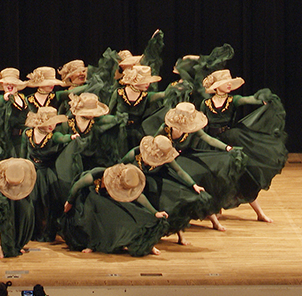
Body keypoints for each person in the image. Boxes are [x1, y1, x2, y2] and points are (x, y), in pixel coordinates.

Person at [199, 69, 287, 223]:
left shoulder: (234, 100)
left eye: (229, 83)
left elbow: (249, 100)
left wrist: (262, 100)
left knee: (243, 174)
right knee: (214, 177)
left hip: (231, 140)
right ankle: (216, 209)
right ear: (216, 87)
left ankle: (259, 212)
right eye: (225, 83)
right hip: (212, 143)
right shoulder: (205, 104)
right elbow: (201, 125)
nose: (228, 85)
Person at [155, 102, 246, 231]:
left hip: (186, 157)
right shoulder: (165, 128)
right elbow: (155, 144)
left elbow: (208, 139)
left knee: (206, 175)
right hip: (168, 162)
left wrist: (227, 148)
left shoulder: (193, 128)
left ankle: (214, 220)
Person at [121, 135, 214, 245]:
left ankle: (180, 236)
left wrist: (193, 184)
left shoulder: (165, 156)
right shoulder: (135, 153)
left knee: (172, 201)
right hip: (138, 182)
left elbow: (179, 171)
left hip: (156, 181)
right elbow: (121, 166)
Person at [61, 163, 168, 256]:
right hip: (89, 195)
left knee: (130, 215)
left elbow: (139, 197)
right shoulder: (95, 175)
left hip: (108, 197)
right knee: (97, 211)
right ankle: (92, 244)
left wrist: (155, 212)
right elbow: (77, 186)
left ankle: (146, 245)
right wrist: (69, 202)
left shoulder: (124, 182)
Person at [20, 107, 79, 242]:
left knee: (49, 203)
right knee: (33, 202)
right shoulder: (27, 134)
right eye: (49, 123)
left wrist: (72, 137)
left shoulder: (54, 136)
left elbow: (63, 138)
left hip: (48, 173)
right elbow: (22, 154)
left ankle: (48, 232)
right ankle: (33, 232)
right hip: (33, 171)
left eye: (54, 122)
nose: (52, 126)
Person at [108, 65, 165, 154]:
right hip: (118, 135)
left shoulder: (146, 96)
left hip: (137, 137)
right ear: (134, 81)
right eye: (144, 81)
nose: (148, 84)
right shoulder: (118, 93)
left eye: (148, 82)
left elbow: (163, 95)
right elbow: (109, 114)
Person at [0, 158, 36, 258]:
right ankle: (1, 247)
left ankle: (17, 245)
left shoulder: (21, 175)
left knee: (23, 212)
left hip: (17, 199)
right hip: (1, 199)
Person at [0, 68, 29, 160]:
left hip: (23, 139)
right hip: (9, 141)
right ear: (2, 84)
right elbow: (1, 111)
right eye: (6, 83)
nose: (9, 85)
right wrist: (6, 98)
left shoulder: (23, 98)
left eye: (12, 82)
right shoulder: (0, 99)